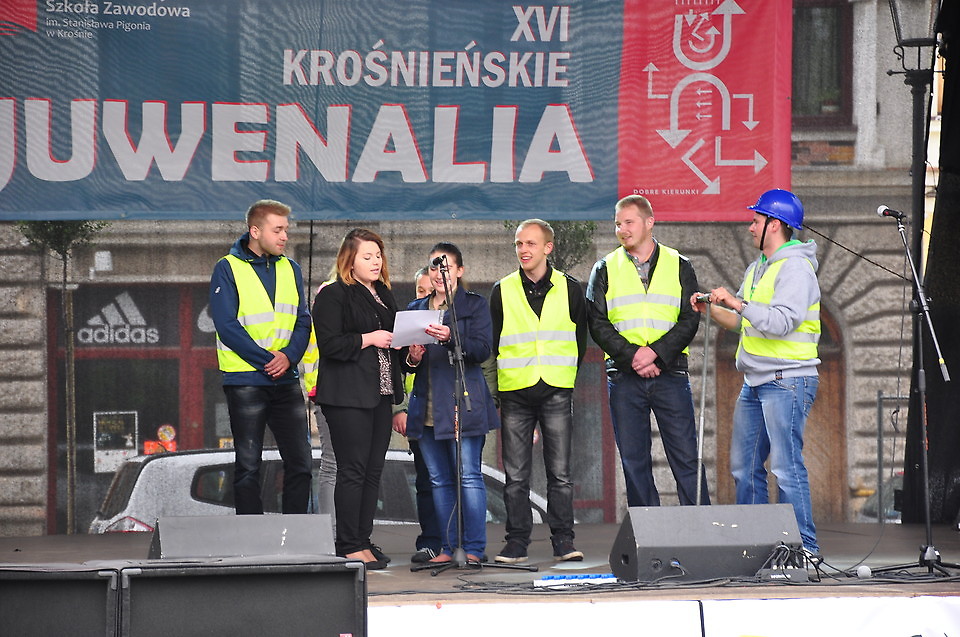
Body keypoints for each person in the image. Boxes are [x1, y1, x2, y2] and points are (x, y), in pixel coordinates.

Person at [692, 188, 821, 559]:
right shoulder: (757, 269)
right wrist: (711, 309)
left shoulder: (796, 268)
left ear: (775, 225)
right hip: (756, 381)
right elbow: (740, 321)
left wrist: (737, 302)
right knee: (744, 468)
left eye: (756, 220)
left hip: (788, 379)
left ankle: (805, 549)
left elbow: (780, 322)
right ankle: (756, 548)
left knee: (785, 467)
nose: (750, 227)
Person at [586, 194, 710, 507]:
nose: (622, 229)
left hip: (670, 374)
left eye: (628, 222)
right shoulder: (604, 268)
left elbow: (690, 318)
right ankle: (648, 532)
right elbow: (597, 323)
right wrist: (634, 356)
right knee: (634, 462)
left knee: (686, 459)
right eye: (618, 224)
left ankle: (701, 528)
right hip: (624, 377)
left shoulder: (680, 264)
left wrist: (654, 353)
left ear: (649, 222)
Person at [490, 219, 588, 564]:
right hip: (515, 390)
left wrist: (565, 377)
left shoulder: (570, 288)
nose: (523, 250)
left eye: (531, 243)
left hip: (556, 388)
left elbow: (579, 340)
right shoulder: (501, 290)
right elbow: (493, 342)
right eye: (519, 244)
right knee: (515, 475)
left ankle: (564, 540)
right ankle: (516, 542)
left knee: (560, 473)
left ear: (548, 248)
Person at [210, 199, 314, 516]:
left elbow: (303, 320)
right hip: (246, 380)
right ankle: (249, 537)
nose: (285, 236)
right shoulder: (227, 268)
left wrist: (288, 357)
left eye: (286, 230)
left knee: (301, 463)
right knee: (248, 465)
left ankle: (294, 535)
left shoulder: (291, 268)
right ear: (255, 231)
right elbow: (226, 325)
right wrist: (269, 360)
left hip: (286, 380)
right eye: (278, 230)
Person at [312, 228, 404, 569]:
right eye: (367, 256)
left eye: (378, 255)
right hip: (346, 395)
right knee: (352, 470)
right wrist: (369, 338)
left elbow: (392, 343)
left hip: (381, 393)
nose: (375, 261)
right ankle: (348, 543)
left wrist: (411, 351)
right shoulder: (333, 294)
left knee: (372, 470)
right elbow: (330, 345)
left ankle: (363, 540)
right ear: (349, 261)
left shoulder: (384, 295)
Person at [404, 242, 500, 565]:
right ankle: (447, 548)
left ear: (459, 271)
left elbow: (482, 349)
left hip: (462, 403)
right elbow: (405, 363)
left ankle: (473, 548)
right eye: (433, 266)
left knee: (468, 476)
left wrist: (449, 337)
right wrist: (412, 356)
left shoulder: (473, 305)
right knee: (438, 480)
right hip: (427, 406)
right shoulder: (416, 308)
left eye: (445, 267)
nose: (438, 273)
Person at [392, 267, 442, 563]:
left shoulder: (453, 320)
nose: (425, 296)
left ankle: (459, 543)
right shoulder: (409, 322)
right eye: (420, 291)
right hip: (418, 415)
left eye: (430, 291)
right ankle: (430, 542)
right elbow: (395, 369)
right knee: (426, 481)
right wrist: (399, 409)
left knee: (457, 480)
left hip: (449, 413)